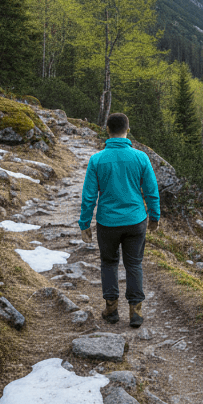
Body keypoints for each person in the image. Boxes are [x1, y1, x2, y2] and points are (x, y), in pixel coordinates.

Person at [78, 112, 161, 327]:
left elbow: (89, 195)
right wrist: (154, 216)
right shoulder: (141, 157)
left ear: (107, 130)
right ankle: (135, 312)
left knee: (109, 263)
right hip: (136, 220)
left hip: (108, 223)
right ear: (128, 129)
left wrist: (84, 223)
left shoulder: (97, 159)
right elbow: (151, 190)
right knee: (134, 264)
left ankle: (112, 310)